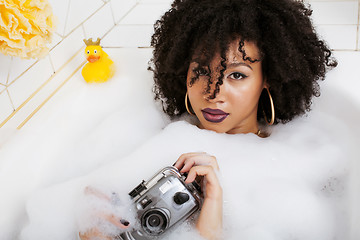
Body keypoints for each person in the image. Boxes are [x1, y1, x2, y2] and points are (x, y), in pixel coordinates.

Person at [80, 0, 336, 239]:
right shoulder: (141, 138)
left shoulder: (300, 169)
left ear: (267, 78)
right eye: (201, 71)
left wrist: (210, 227)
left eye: (236, 75)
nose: (213, 93)